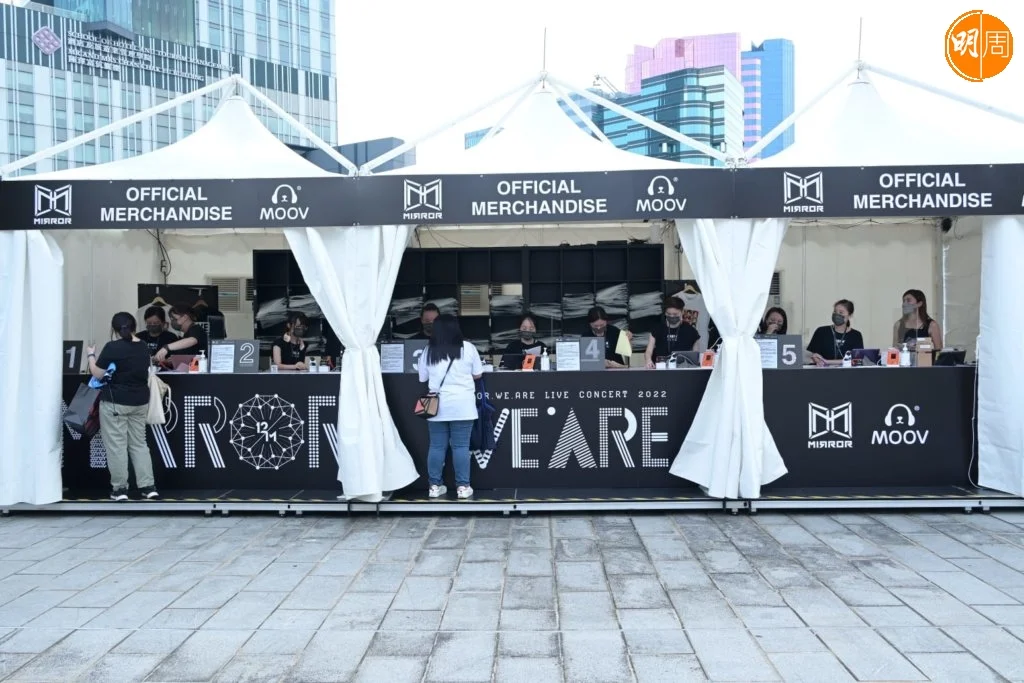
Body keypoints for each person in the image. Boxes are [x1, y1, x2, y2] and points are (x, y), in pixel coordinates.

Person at [86, 313, 158, 501]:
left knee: (117, 446)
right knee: (139, 444)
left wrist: (91, 355)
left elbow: (98, 374)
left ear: (114, 329)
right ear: (135, 326)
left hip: (115, 402)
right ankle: (148, 487)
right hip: (140, 401)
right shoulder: (143, 346)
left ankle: (120, 489)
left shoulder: (112, 347)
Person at [418, 314, 482, 500]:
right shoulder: (468, 348)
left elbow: (422, 377)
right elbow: (478, 374)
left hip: (436, 406)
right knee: (461, 447)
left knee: (437, 446)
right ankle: (463, 487)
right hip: (462, 405)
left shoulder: (428, 350)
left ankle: (434, 486)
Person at [645, 296, 701, 368]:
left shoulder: (691, 331)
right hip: (661, 368)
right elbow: (648, 351)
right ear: (665, 313)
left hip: (683, 368)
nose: (671, 316)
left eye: (675, 314)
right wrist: (648, 360)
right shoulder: (657, 329)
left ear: (682, 312)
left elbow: (696, 354)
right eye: (668, 314)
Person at [807, 299, 865, 366]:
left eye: (841, 312)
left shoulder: (856, 335)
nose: (837, 314)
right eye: (835, 311)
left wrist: (827, 361)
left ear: (850, 315)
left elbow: (856, 360)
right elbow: (815, 355)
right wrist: (818, 361)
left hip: (847, 371)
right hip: (823, 369)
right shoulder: (821, 331)